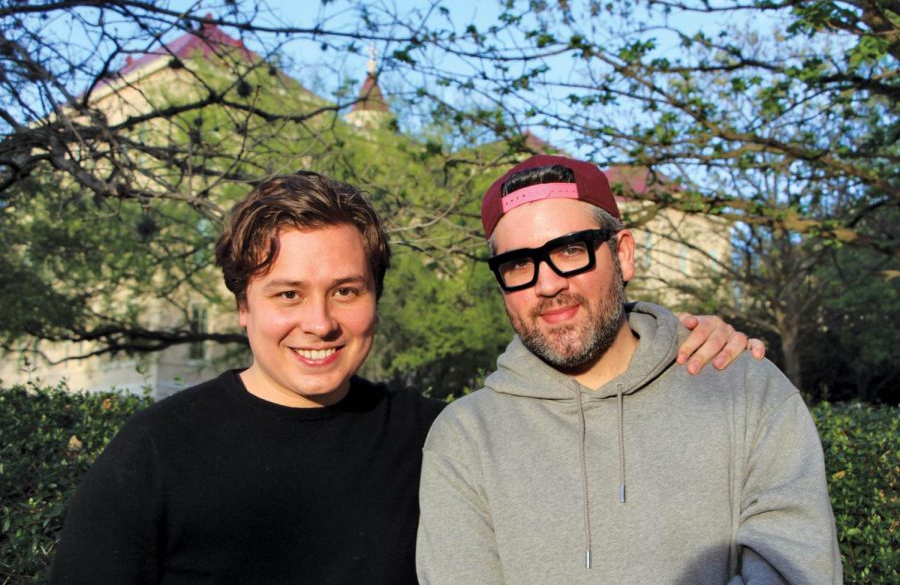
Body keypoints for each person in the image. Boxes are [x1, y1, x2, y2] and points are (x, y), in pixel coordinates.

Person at [49, 171, 761, 584]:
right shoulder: (157, 453)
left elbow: (583, 422)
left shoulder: (435, 438)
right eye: (288, 294)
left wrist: (675, 340)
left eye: (347, 291)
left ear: (376, 299)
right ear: (243, 308)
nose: (320, 323)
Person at [416, 155, 841, 584]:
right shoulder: (465, 439)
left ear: (623, 255)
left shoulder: (744, 388)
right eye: (519, 264)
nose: (547, 284)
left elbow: (796, 571)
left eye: (569, 249)